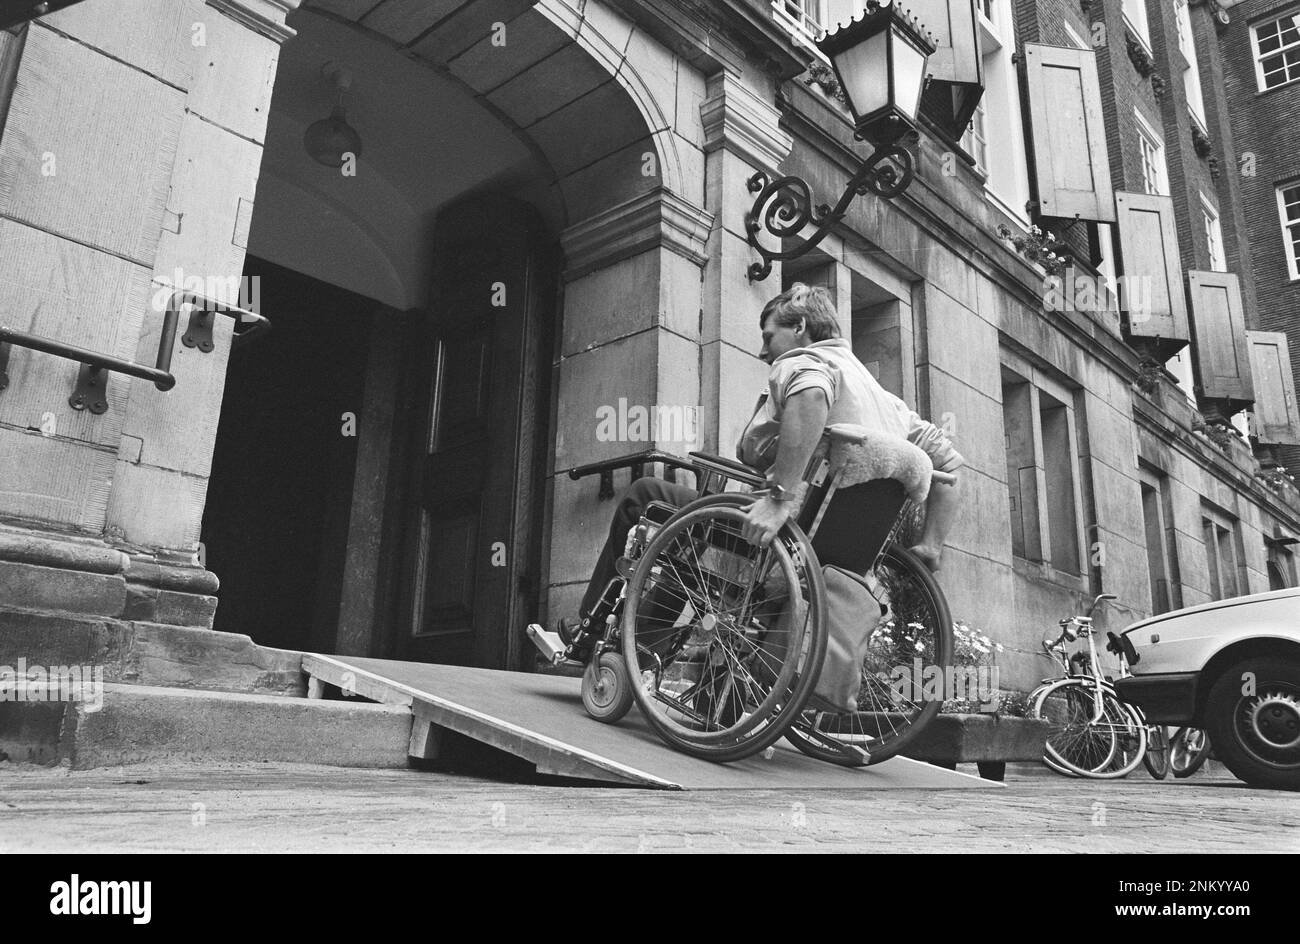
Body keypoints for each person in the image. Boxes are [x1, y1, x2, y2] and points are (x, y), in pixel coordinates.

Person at [559, 282, 963, 654]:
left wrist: (778, 499)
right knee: (690, 534)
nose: (763, 350)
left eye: (768, 336)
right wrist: (931, 545)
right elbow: (949, 466)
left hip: (785, 531)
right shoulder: (887, 403)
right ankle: (644, 647)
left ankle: (588, 634)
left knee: (646, 495)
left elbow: (811, 395)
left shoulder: (808, 362)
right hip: (832, 550)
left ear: (800, 326)